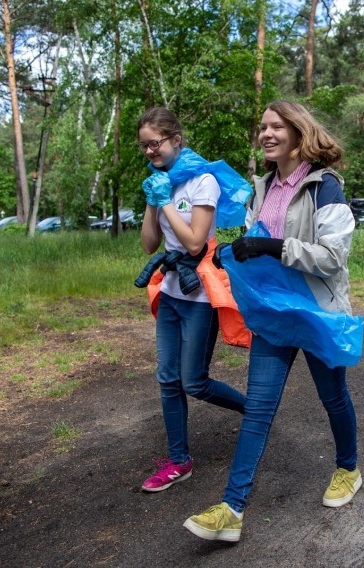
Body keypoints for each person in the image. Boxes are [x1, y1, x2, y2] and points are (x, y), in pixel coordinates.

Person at [183, 100, 361, 542]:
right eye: (262, 126)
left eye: (276, 126)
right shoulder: (261, 188)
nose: (265, 133)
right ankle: (232, 508)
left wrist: (273, 248)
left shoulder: (325, 187)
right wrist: (238, 251)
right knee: (259, 409)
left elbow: (333, 258)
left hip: (317, 313)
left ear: (298, 133)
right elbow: (257, 240)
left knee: (333, 397)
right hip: (274, 316)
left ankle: (348, 469)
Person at [137, 107, 246, 492]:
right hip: (169, 290)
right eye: (144, 146)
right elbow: (150, 243)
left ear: (176, 140)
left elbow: (196, 241)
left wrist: (165, 199)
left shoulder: (203, 181)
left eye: (156, 143)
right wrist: (153, 200)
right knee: (168, 379)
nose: (150, 151)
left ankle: (253, 411)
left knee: (194, 382)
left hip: (199, 293)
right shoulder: (157, 181)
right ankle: (179, 461)